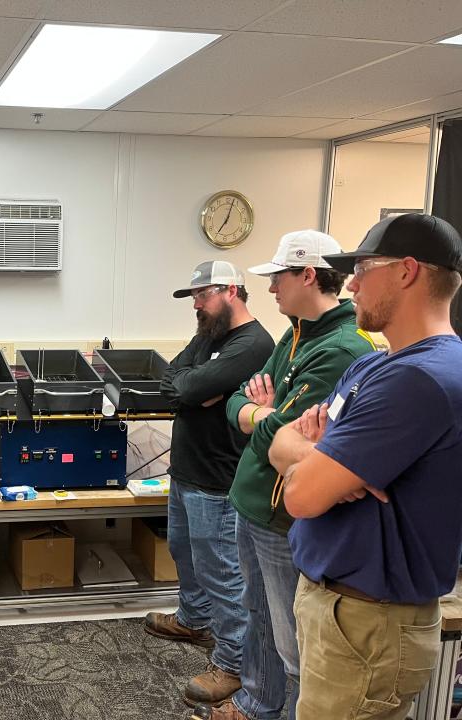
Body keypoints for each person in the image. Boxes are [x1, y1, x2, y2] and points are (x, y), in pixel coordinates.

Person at [268, 213, 462, 720]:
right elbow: (282, 442)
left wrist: (319, 466)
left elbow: (301, 496)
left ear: (407, 272)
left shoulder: (422, 378)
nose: (350, 284)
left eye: (363, 268)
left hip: (368, 623)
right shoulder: (374, 365)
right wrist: (325, 461)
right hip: (341, 611)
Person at [192, 231, 375, 720]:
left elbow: (285, 434)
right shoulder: (297, 334)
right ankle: (258, 705)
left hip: (281, 517)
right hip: (251, 500)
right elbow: (241, 404)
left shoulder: (341, 348)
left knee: (291, 637)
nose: (271, 290)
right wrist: (259, 413)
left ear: (308, 275)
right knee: (259, 619)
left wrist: (259, 414)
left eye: (278, 278)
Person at [145, 260, 274, 708]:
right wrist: (197, 390)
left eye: (203, 295)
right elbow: (172, 383)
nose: (196, 305)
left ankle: (234, 665)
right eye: (194, 297)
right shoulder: (209, 336)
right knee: (183, 551)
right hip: (186, 471)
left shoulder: (254, 345)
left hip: (218, 479)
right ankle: (192, 619)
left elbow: (184, 388)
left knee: (222, 573)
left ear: (232, 291)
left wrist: (192, 388)